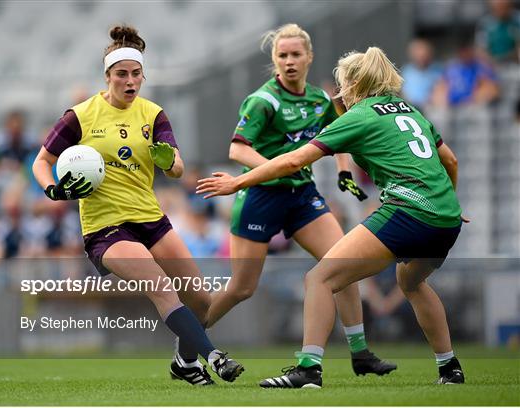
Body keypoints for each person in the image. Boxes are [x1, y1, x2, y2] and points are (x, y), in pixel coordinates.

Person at [197, 46, 467, 387]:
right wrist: (448, 203)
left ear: (354, 83)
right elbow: (451, 161)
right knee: (411, 282)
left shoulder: (361, 114)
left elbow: (294, 161)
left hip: (407, 210)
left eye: (343, 85)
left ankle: (308, 369)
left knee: (319, 279)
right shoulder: (410, 111)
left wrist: (238, 180)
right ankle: (449, 368)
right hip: (447, 218)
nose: (340, 93)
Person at [31, 25, 243, 386]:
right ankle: (214, 356)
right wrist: (53, 191)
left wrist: (168, 161)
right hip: (105, 227)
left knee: (202, 301)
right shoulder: (80, 116)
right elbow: (41, 161)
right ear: (107, 76)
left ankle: (184, 362)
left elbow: (176, 168)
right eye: (121, 75)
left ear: (143, 76)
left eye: (136, 74)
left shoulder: (153, 114)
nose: (130, 81)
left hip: (151, 218)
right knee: (161, 287)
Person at [205, 23, 395, 377]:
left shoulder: (320, 99)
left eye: (295, 54)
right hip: (261, 197)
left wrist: (343, 171)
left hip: (302, 195)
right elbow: (237, 148)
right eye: (282, 55)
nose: (289, 61)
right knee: (242, 287)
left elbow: (337, 137)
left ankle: (360, 353)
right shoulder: (264, 100)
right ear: (275, 60)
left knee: (343, 264)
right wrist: (276, 169)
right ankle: (189, 343)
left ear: (309, 57)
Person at [401, 38, 443, 111]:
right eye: (418, 55)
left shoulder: (437, 71)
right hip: (409, 106)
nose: (421, 58)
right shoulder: (406, 71)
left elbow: (440, 92)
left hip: (430, 107)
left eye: (424, 55)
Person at [476, 0, 520, 64]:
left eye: (505, 7)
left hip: (514, 63)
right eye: (499, 7)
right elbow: (480, 50)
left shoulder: (517, 21)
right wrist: (492, 62)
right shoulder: (485, 24)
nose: (502, 11)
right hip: (493, 64)